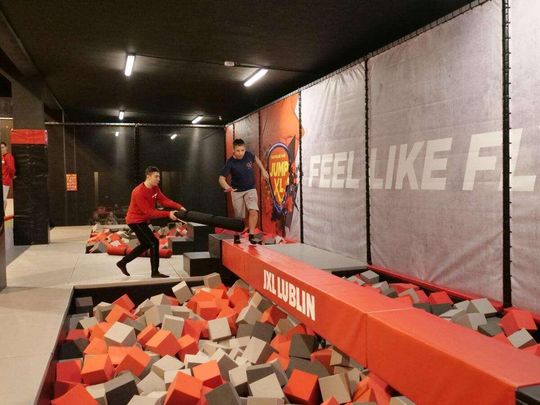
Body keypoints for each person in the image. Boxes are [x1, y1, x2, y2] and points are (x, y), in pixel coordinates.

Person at [116, 166, 185, 278]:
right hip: (134, 221)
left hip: (142, 220)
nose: (159, 179)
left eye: (159, 177)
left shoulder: (155, 188)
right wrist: (168, 214)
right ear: (148, 177)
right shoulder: (138, 192)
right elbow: (149, 212)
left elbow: (164, 200)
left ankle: (122, 263)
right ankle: (155, 272)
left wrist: (179, 207)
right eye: (156, 177)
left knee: (145, 244)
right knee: (154, 242)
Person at [219, 138, 269, 244]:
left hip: (250, 188)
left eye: (242, 150)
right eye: (238, 151)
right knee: (239, 216)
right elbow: (221, 179)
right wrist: (227, 186)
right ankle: (237, 235)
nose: (240, 153)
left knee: (253, 210)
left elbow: (256, 159)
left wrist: (263, 170)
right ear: (233, 150)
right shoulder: (230, 162)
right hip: (236, 191)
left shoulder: (248, 155)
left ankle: (251, 235)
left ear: (245, 149)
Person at [1, 142, 15, 210]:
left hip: (5, 181)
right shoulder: (3, 157)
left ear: (6, 148)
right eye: (0, 148)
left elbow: (11, 168)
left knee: (3, 199)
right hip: (3, 180)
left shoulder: (8, 156)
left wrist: (11, 176)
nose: (1, 149)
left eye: (2, 147)